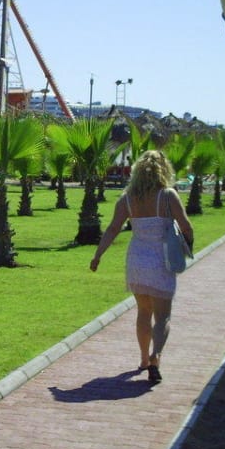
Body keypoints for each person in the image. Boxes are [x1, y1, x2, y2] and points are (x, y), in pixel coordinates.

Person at [89, 150, 194, 383]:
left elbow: (112, 229)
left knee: (143, 312)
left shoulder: (127, 198)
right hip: (161, 261)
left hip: (137, 260)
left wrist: (98, 256)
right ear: (163, 170)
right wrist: (187, 246)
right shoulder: (168, 196)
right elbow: (186, 226)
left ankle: (144, 359)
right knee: (163, 316)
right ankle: (156, 356)